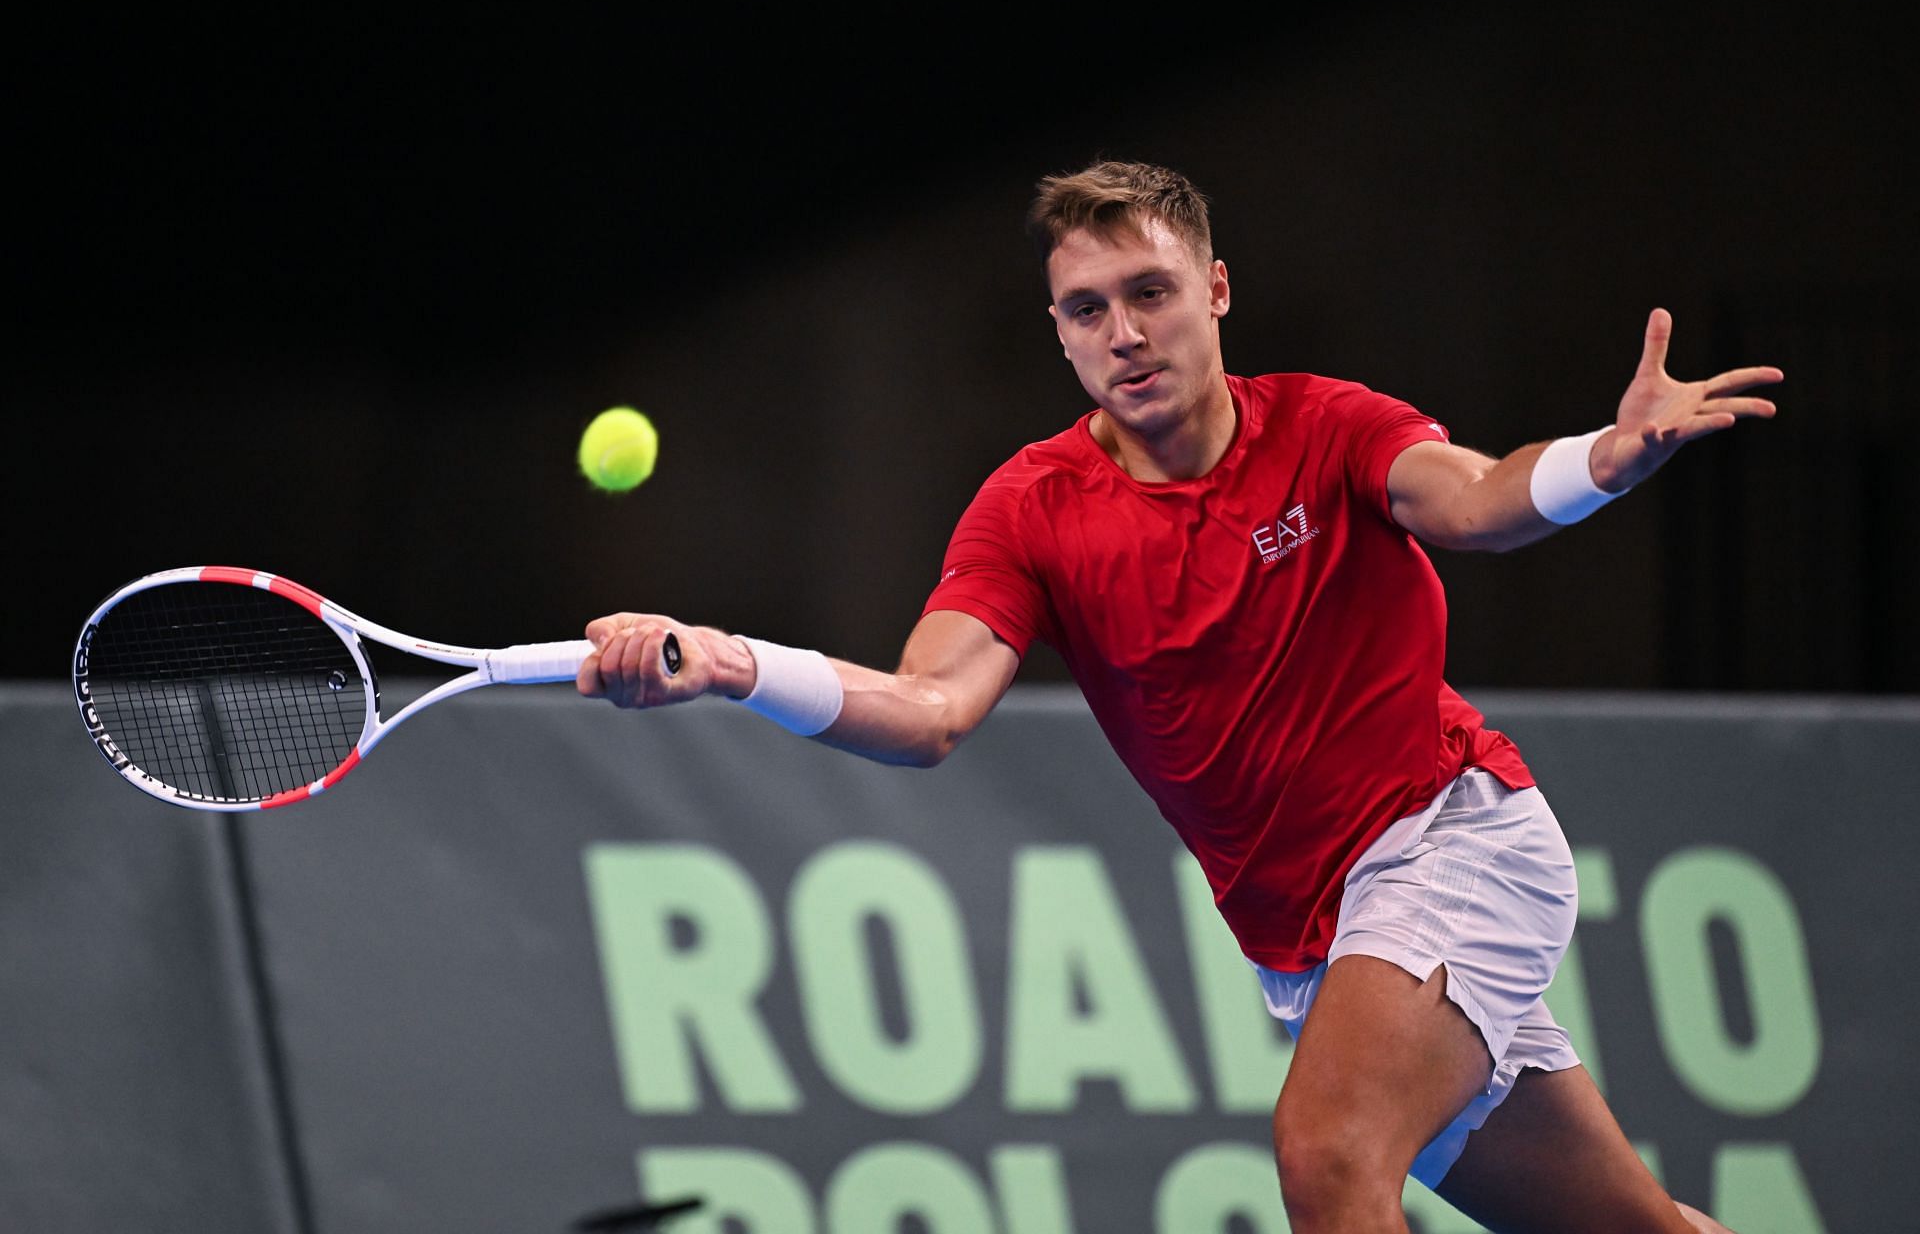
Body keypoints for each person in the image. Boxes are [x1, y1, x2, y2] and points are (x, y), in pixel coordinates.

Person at [576, 161, 1781, 1233]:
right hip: (1311, 937)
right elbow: (929, 709)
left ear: (1214, 290)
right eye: (1087, 309)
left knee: (1327, 1156)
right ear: (1059, 334)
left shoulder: (1325, 426)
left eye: (1150, 292)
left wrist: (1604, 464)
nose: (1125, 332)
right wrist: (731, 661)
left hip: (1450, 842)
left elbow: (1475, 500)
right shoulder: (1031, 507)